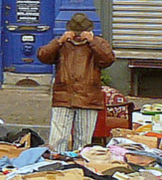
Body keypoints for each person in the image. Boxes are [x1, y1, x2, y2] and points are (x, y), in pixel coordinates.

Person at [38, 13, 115, 153]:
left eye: (82, 32)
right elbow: (43, 56)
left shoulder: (99, 43)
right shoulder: (62, 44)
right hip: (63, 97)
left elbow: (107, 60)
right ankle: (56, 166)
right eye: (76, 32)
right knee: (57, 139)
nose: (79, 35)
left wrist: (93, 42)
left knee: (83, 142)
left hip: (88, 97)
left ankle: (78, 167)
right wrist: (59, 41)